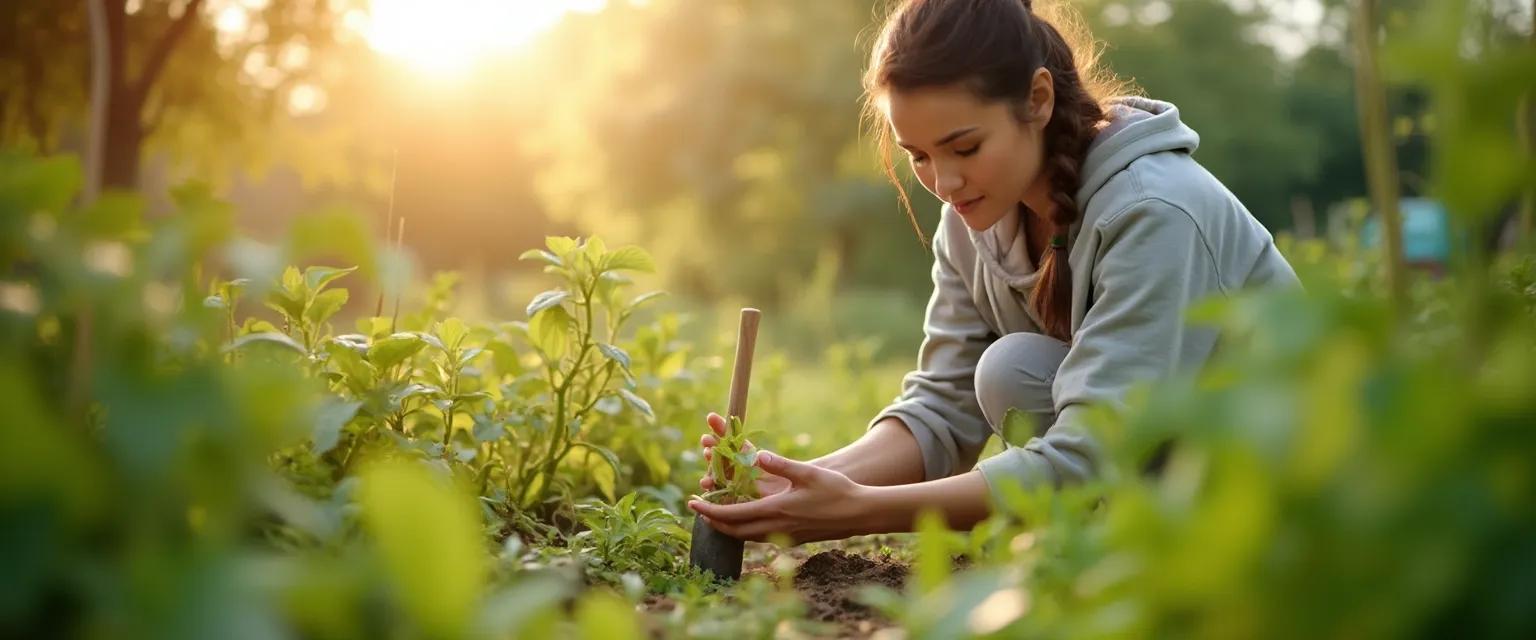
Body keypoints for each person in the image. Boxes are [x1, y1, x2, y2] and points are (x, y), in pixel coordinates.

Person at [687, 0, 1299, 544]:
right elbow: (941, 408)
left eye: (964, 147)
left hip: (1287, 483)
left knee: (1010, 374)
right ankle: (1118, 547)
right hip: (1171, 462)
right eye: (919, 156)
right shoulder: (974, 215)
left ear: (1037, 99)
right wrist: (795, 486)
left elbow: (1087, 454)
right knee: (1009, 372)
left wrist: (859, 512)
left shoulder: (1153, 210)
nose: (944, 182)